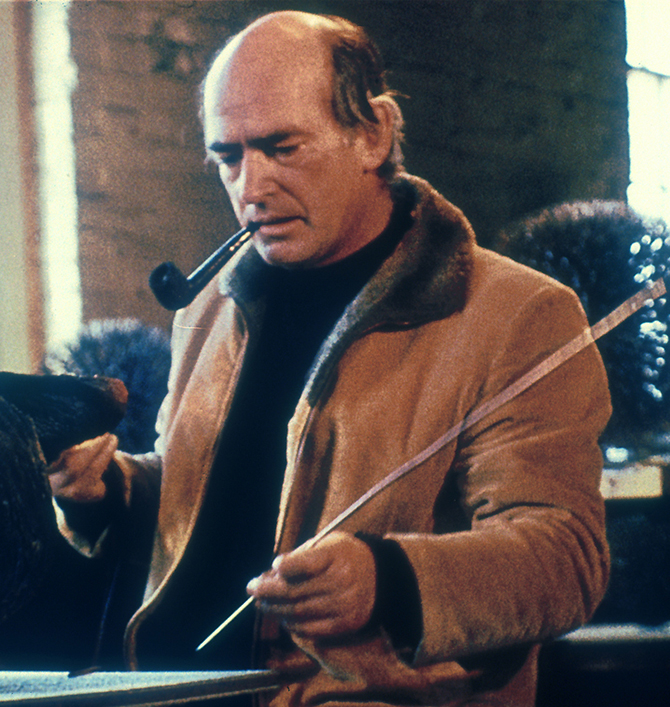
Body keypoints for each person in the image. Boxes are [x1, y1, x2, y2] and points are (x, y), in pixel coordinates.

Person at [48, 11, 612, 706]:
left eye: (281, 147)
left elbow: (565, 558)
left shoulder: (515, 313)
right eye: (228, 157)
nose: (250, 187)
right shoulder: (209, 309)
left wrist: (392, 578)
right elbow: (211, 496)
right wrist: (113, 493)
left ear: (371, 133)